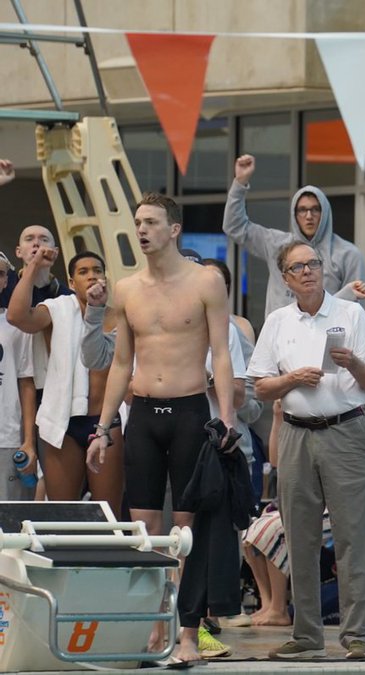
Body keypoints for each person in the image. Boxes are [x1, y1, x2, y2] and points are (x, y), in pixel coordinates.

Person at [84, 193, 237, 665]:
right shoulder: (127, 289)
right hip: (144, 417)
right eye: (137, 222)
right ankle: (154, 624)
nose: (142, 229)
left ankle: (186, 632)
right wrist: (104, 428)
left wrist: (227, 418)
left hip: (191, 414)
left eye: (151, 221)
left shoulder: (207, 281)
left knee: (186, 530)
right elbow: (121, 363)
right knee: (146, 528)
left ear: (174, 229)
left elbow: (222, 354)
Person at [247, 240, 365, 660]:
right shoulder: (278, 322)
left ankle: (356, 634)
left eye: (314, 264)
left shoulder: (351, 314)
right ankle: (306, 633)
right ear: (286, 279)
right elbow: (260, 385)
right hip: (295, 433)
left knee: (353, 535)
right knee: (299, 537)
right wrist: (292, 381)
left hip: (346, 431)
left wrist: (352, 364)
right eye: (298, 267)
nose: (308, 271)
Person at [8, 251, 126, 515]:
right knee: (62, 514)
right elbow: (17, 317)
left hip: (105, 421)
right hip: (63, 421)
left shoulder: (118, 316)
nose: (92, 275)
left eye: (97, 270)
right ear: (71, 283)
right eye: (83, 272)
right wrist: (33, 266)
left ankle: (106, 556)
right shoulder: (56, 309)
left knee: (109, 515)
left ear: (105, 279)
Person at [223, 154, 365, 315]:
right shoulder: (277, 244)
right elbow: (234, 227)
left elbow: (356, 311)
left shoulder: (347, 254)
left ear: (325, 212)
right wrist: (240, 183)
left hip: (326, 337)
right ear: (294, 213)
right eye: (302, 210)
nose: (308, 216)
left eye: (315, 209)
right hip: (281, 337)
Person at [0, 252, 36, 501]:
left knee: (9, 526)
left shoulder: (16, 325)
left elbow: (26, 384)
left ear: (5, 281)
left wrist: (28, 441)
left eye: (0, 273)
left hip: (7, 439)